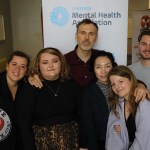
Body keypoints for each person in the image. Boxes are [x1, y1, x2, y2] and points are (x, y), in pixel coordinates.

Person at [16, 47, 82, 150]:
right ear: (38, 66)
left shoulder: (72, 85)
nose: (51, 66)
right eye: (45, 62)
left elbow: (84, 117)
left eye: (55, 61)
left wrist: (83, 144)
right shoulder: (30, 88)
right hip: (42, 145)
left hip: (74, 144)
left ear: (61, 63)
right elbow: (24, 124)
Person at [29, 18, 100, 90]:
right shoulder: (63, 60)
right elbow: (48, 74)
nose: (86, 38)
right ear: (76, 36)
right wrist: (34, 76)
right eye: (83, 33)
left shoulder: (103, 58)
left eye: (91, 34)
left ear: (96, 38)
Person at [105, 65, 150, 150]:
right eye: (113, 84)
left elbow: (143, 142)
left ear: (131, 80)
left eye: (121, 81)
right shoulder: (119, 104)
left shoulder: (144, 105)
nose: (117, 86)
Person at [82, 51, 117, 150]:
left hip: (123, 138)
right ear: (93, 69)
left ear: (113, 67)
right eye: (98, 67)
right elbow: (88, 123)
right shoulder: (89, 92)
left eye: (107, 66)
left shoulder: (121, 87)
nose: (103, 71)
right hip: (101, 141)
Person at [0, 51, 30, 150]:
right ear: (7, 66)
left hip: (19, 143)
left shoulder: (26, 87)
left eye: (23, 66)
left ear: (26, 71)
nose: (17, 69)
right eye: (14, 64)